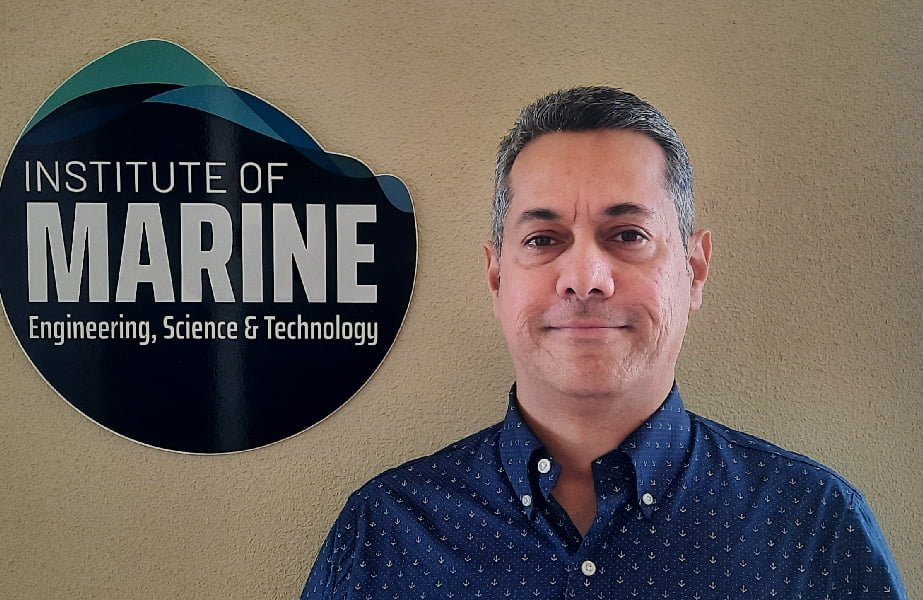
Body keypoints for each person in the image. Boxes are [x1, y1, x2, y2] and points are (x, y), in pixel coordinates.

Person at [301, 86, 907, 599]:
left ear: (695, 270)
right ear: (496, 276)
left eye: (628, 234)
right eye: (543, 239)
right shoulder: (384, 535)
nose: (585, 278)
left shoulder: (813, 527)